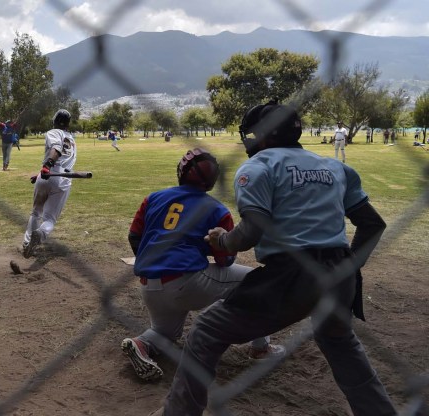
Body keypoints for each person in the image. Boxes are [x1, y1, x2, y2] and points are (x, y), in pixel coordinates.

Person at [154, 102, 396, 416]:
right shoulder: (336, 168)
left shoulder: (259, 167)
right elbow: (373, 224)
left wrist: (221, 240)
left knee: (207, 330)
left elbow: (253, 230)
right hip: (341, 272)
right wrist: (348, 266)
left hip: (290, 275)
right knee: (339, 341)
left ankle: (179, 412)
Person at [121, 148, 285, 382]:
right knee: (257, 281)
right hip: (187, 282)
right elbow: (225, 259)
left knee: (164, 333)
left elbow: (134, 237)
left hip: (149, 285)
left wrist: (158, 262)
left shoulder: (153, 198)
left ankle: (140, 344)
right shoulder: (216, 209)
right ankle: (261, 348)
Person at [22, 109, 76, 258]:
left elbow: (56, 149)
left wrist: (47, 166)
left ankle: (27, 243)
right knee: (50, 218)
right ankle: (40, 234)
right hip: (63, 179)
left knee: (35, 212)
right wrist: (43, 171)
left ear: (54, 121)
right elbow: (63, 154)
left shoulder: (53, 132)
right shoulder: (71, 139)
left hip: (47, 174)